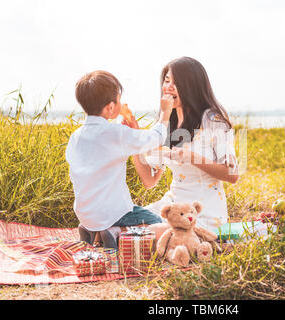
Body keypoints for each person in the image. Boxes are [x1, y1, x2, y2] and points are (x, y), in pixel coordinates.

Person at [126, 57, 239, 231]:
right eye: (166, 81)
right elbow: (150, 181)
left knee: (146, 232)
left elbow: (232, 175)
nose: (168, 87)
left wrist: (191, 157)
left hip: (202, 213)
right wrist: (136, 143)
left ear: (192, 87)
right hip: (173, 206)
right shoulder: (167, 123)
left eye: (176, 83)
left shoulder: (212, 120)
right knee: (125, 219)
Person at [65, 70, 174, 249]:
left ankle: (92, 230)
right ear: (110, 107)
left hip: (85, 213)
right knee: (161, 224)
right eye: (119, 99)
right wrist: (165, 113)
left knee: (108, 214)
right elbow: (155, 138)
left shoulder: (76, 136)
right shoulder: (116, 134)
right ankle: (117, 232)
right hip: (114, 213)